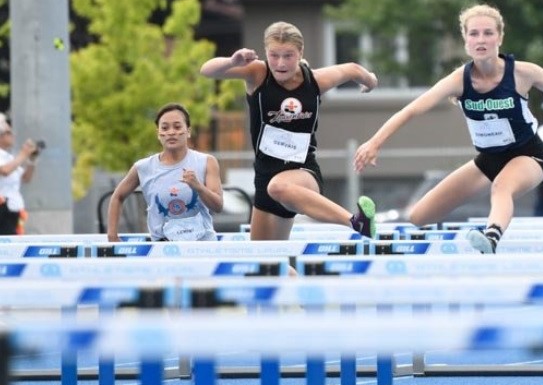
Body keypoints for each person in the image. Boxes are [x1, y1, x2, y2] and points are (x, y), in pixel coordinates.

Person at [353, 3, 543, 253]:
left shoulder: (523, 73)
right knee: (419, 216)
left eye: (487, 33)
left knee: (502, 187)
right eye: (474, 34)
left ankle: (492, 236)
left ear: (500, 38)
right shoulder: (459, 79)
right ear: (465, 40)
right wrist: (375, 142)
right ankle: (368, 224)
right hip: (488, 159)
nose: (481, 40)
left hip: (528, 154)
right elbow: (412, 110)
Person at [200, 21, 380, 241]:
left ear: (300, 53)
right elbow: (206, 71)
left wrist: (370, 81)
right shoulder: (258, 73)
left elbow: (352, 69)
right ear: (266, 53)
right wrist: (231, 61)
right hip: (264, 177)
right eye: (274, 55)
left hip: (303, 173)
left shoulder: (315, 81)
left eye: (288, 56)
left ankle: (356, 222)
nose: (280, 63)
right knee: (265, 265)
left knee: (279, 186)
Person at [107, 104, 224, 242]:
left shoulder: (206, 162)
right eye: (165, 128)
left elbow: (218, 206)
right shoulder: (144, 167)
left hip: (201, 246)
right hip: (163, 249)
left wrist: (198, 187)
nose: (171, 132)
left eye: (177, 126)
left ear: (188, 131)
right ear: (158, 134)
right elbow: (117, 197)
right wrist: (112, 236)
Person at [0, 115, 40, 236]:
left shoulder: (9, 157)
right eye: (8, 132)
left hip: (13, 209)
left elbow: (25, 178)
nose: (12, 135)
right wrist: (23, 154)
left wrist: (31, 160)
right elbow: (5, 170)